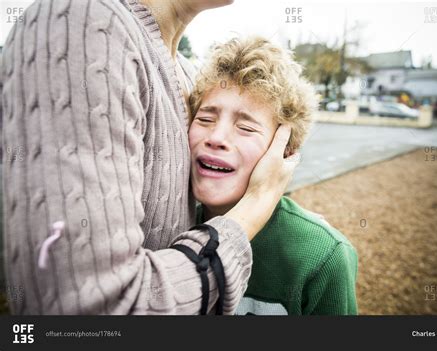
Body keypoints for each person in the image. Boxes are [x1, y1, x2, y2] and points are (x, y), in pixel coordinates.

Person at [1, 0, 298, 315]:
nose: (216, 137)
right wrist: (257, 205)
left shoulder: (185, 73)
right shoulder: (81, 21)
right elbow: (92, 310)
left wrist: (288, 220)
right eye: (208, 120)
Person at [189, 37, 358, 315]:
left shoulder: (323, 258)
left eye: (245, 127)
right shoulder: (164, 227)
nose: (216, 137)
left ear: (285, 150)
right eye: (205, 119)